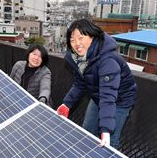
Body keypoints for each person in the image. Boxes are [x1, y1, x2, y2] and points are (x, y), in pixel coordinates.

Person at [56, 19, 137, 149]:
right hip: (99, 95)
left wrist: (105, 129)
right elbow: (79, 84)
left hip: (120, 100)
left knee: (110, 140)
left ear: (92, 37)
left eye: (80, 38)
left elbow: (108, 96)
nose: (76, 43)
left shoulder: (107, 60)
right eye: (72, 40)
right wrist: (67, 104)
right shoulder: (79, 59)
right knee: (87, 130)